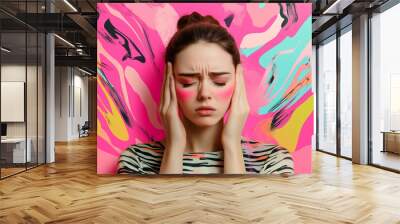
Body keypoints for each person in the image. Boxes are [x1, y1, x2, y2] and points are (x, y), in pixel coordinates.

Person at [118, 12, 294, 175]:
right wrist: (174, 147)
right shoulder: (136, 160)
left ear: (237, 80)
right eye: (188, 82)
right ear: (168, 81)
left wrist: (232, 146)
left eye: (219, 82)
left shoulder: (273, 160)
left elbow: (239, 208)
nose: (204, 94)